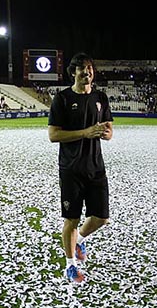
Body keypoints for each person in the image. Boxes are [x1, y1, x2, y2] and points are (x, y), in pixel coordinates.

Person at [48, 52, 114, 285]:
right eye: (82, 69)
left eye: (89, 68)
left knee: (102, 217)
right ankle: (70, 266)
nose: (87, 72)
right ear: (73, 72)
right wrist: (85, 133)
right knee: (71, 220)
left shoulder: (101, 97)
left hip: (96, 166)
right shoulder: (62, 99)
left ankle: (80, 241)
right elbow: (53, 135)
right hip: (71, 169)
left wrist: (105, 133)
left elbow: (109, 131)